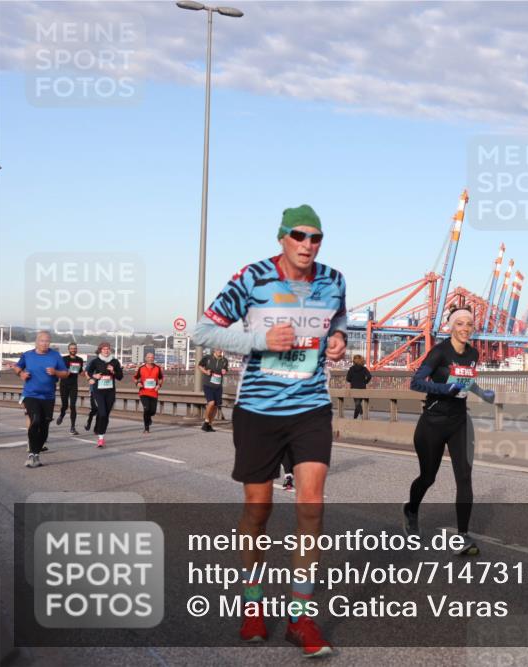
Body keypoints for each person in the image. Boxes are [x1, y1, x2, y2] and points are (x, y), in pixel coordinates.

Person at [194, 204, 347, 657]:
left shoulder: (333, 280)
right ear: (282, 237)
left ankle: (301, 618)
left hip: (311, 406)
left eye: (316, 237)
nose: (307, 244)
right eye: (299, 236)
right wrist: (258, 341)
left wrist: (339, 340)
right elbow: (204, 331)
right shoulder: (252, 277)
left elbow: (338, 323)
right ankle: (253, 602)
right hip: (258, 410)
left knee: (312, 504)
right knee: (258, 509)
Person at [402, 306, 495, 556]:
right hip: (433, 422)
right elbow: (416, 382)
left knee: (464, 477)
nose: (465, 329)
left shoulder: (473, 353)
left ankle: (463, 537)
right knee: (427, 478)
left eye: (469, 325)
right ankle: (411, 510)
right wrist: (445, 390)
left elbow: (466, 380)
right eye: (460, 324)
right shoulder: (440, 352)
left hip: (459, 422)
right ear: (451, 327)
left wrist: (481, 393)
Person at [14, 331, 68, 468]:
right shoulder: (27, 355)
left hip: (48, 396)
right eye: (43, 341)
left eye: (48, 341)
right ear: (37, 342)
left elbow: (66, 373)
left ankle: (36, 453)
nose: (45, 343)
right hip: (31, 394)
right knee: (35, 420)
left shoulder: (55, 356)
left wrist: (55, 372)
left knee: (45, 424)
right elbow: (17, 367)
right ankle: (32, 453)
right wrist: (21, 373)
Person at [85, 342, 123, 448]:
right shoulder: (96, 361)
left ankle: (101, 433)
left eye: (108, 349)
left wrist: (114, 371)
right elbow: (87, 372)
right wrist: (92, 377)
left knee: (106, 415)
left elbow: (120, 377)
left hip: (110, 392)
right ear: (100, 350)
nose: (106, 351)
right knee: (102, 413)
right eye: (104, 349)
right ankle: (100, 439)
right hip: (98, 392)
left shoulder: (114, 362)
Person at [56, 342, 84, 435]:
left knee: (73, 406)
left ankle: (72, 427)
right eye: (72, 348)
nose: (73, 350)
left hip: (73, 385)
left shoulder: (80, 360)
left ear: (77, 349)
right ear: (69, 349)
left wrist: (86, 375)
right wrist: (65, 372)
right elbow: (59, 370)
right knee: (65, 405)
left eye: (75, 348)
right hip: (64, 385)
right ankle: (62, 415)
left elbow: (80, 371)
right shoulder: (64, 359)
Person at [198, 348, 229, 432]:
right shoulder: (207, 358)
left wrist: (224, 371)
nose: (220, 351)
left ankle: (210, 425)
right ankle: (206, 421)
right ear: (214, 350)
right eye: (218, 349)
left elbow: (226, 370)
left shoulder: (224, 360)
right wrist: (205, 372)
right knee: (211, 403)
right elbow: (199, 366)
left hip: (218, 386)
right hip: (208, 384)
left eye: (221, 350)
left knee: (216, 406)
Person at [134, 352, 164, 434]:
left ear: (153, 358)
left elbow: (161, 378)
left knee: (153, 411)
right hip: (143, 392)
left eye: (152, 357)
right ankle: (146, 428)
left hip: (154, 392)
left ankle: (149, 417)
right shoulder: (141, 368)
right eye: (149, 357)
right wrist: (137, 383)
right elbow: (135, 378)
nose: (150, 359)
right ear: (145, 358)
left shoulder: (157, 368)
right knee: (146, 409)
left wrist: (159, 385)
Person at [346, 354, 372, 419]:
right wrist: (365, 382)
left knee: (357, 404)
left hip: (354, 388)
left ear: (354, 361)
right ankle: (355, 418)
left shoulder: (351, 369)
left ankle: (361, 414)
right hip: (362, 388)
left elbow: (348, 379)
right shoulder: (364, 369)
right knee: (358, 404)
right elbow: (369, 376)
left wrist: (352, 380)